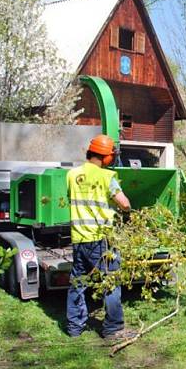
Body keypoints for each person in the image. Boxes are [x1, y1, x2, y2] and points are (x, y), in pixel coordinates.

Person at [66, 135, 133, 340]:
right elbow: (124, 203)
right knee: (111, 282)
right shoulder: (107, 177)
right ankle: (113, 328)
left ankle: (74, 327)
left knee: (78, 282)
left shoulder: (72, 175)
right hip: (102, 239)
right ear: (105, 157)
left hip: (79, 238)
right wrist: (128, 213)